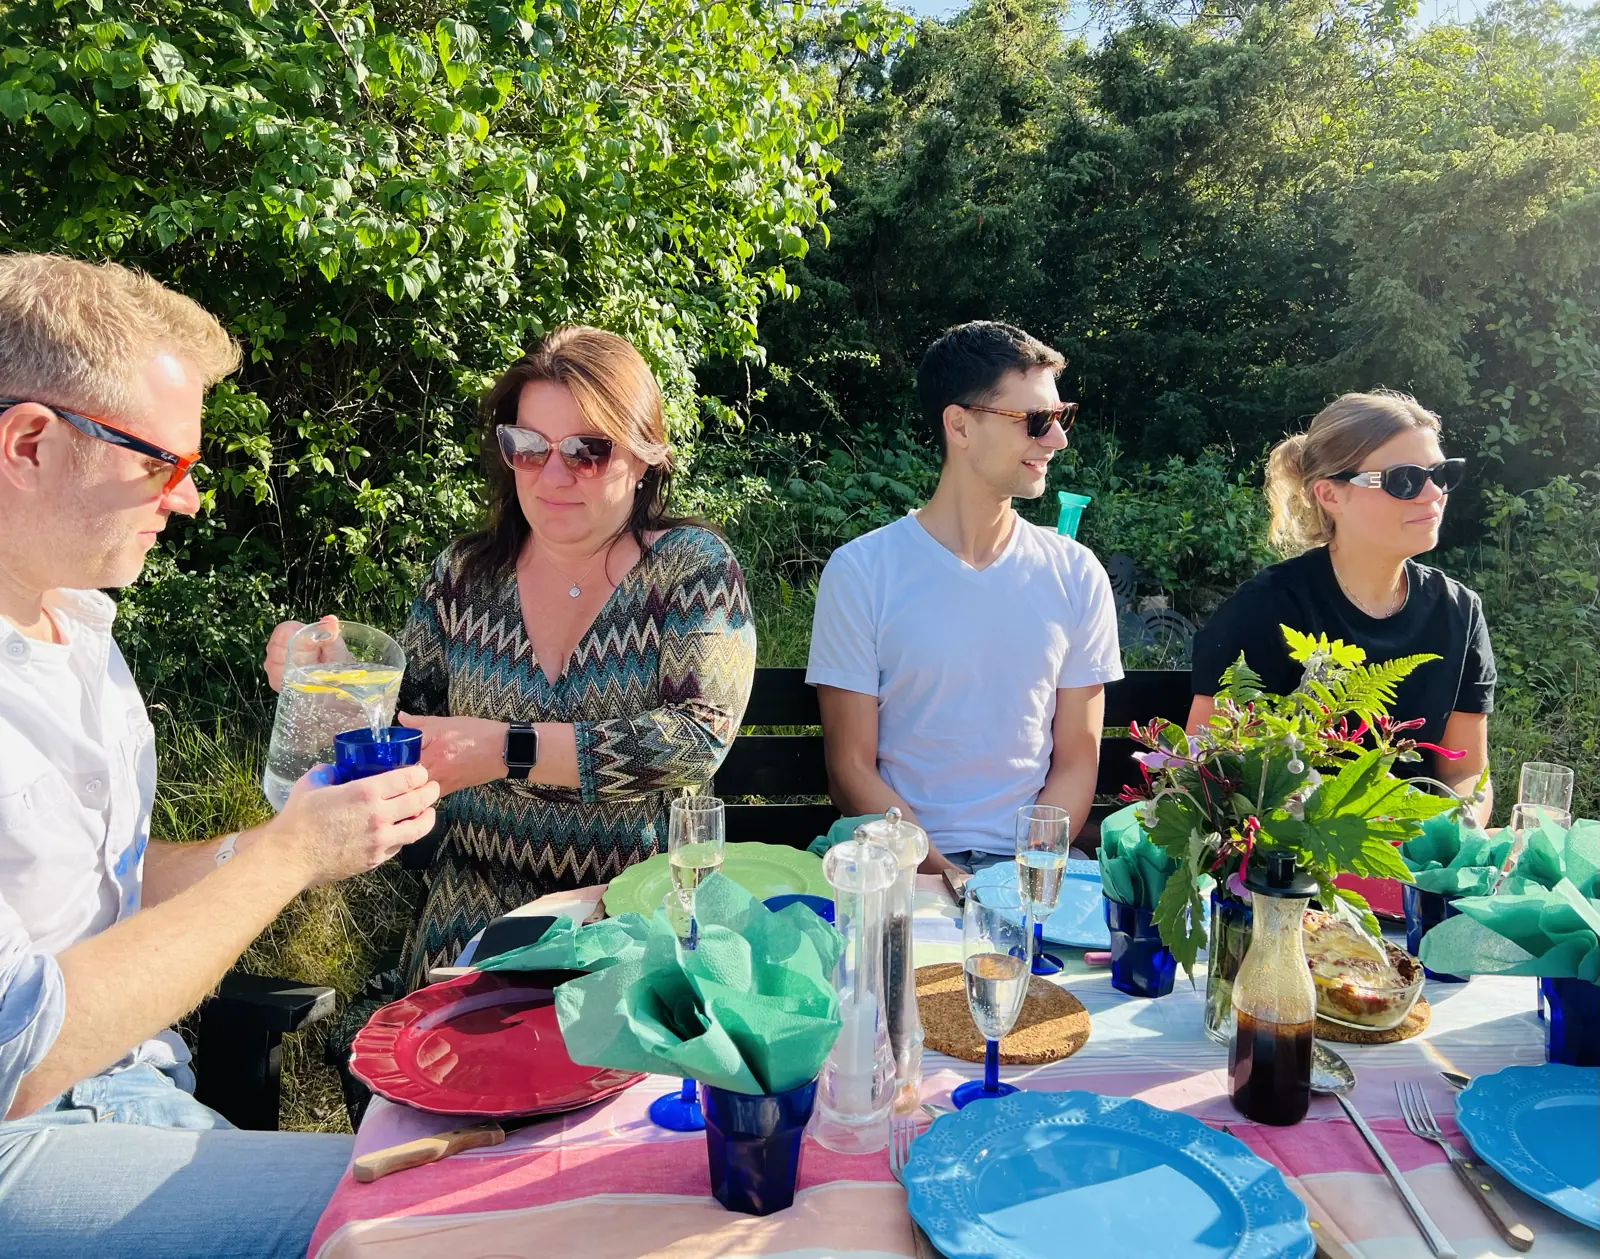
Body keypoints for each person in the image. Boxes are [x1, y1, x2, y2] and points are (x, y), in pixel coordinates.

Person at [0, 253, 442, 1258]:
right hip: (22, 1134)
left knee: (477, 1170)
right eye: (163, 463)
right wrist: (292, 859)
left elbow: (117, 883)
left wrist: (300, 831)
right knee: (422, 1214)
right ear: (30, 442)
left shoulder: (80, 629)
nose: (188, 500)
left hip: (131, 1089)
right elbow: (18, 1050)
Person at [265, 327, 756, 993]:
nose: (553, 475)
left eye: (587, 450)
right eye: (528, 447)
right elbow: (410, 727)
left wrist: (509, 747)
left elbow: (697, 738)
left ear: (644, 456)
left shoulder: (691, 569)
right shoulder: (463, 577)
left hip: (642, 915)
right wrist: (339, 684)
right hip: (477, 915)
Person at [807, 321, 1123, 875]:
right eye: (1036, 420)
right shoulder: (862, 572)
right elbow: (850, 768)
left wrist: (1023, 875)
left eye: (1060, 416)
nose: (1058, 439)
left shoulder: (1076, 573)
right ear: (960, 425)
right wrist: (947, 878)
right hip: (901, 869)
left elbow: (1078, 758)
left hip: (1032, 871)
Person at [1188, 391, 1495, 817]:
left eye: (1441, 474)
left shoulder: (1458, 611)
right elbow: (1207, 766)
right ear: (1331, 495)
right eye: (1404, 479)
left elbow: (1466, 772)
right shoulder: (1266, 609)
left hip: (1417, 861)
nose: (1432, 494)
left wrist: (1459, 831)